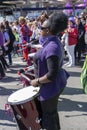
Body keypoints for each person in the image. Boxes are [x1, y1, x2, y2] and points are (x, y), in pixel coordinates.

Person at [30, 12, 69, 130]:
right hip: (54, 84)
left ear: (47, 30)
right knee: (51, 113)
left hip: (51, 86)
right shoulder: (53, 41)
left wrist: (36, 81)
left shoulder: (52, 47)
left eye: (41, 27)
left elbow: (51, 75)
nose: (40, 29)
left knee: (48, 115)